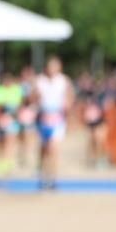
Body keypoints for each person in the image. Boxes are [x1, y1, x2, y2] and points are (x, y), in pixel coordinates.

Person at [32, 56, 74, 188]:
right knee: (44, 150)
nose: (52, 69)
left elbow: (70, 97)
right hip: (42, 119)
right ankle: (42, 176)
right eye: (50, 66)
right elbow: (31, 98)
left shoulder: (64, 81)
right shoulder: (39, 80)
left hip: (57, 119)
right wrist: (35, 98)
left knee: (53, 149)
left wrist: (68, 108)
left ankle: (53, 178)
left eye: (55, 66)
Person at [0, 72, 23, 175]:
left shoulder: (16, 90)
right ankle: (1, 164)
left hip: (11, 121)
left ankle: (7, 165)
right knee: (0, 144)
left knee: (9, 143)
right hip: (0, 121)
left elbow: (18, 106)